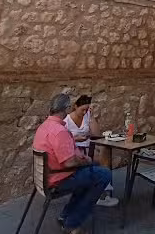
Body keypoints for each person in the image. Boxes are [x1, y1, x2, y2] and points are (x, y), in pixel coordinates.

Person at [33, 93, 115, 233]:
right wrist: (85, 160)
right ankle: (72, 222)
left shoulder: (44, 127)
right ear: (66, 109)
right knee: (104, 174)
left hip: (45, 178)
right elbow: (69, 163)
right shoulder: (59, 131)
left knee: (92, 175)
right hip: (58, 180)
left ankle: (66, 216)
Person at [64, 94, 117, 207]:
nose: (84, 112)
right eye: (82, 109)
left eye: (87, 109)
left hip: (89, 146)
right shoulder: (67, 120)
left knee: (105, 148)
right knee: (99, 156)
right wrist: (76, 138)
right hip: (76, 149)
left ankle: (103, 186)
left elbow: (97, 134)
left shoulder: (87, 115)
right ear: (75, 106)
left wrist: (92, 117)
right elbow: (63, 140)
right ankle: (102, 187)